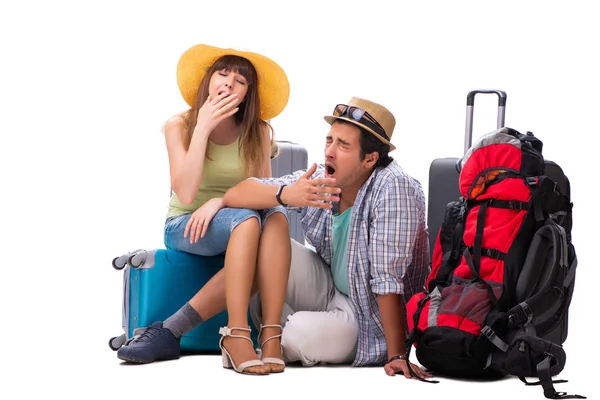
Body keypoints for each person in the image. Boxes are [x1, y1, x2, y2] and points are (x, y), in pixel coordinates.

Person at [223, 97, 432, 379]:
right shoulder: (324, 179)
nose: (329, 152)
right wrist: (286, 194)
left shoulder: (394, 187)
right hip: (332, 286)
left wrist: (396, 355)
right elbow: (237, 194)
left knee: (298, 334)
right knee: (264, 234)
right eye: (329, 140)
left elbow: (387, 282)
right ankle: (248, 334)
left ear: (370, 158)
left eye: (343, 145)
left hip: (370, 319)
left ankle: (278, 331)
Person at [117, 44, 292, 375]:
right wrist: (203, 128)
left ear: (248, 94)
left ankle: (270, 336)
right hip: (186, 225)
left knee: (276, 219)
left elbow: (263, 196)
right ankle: (236, 334)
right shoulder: (179, 125)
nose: (227, 83)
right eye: (221, 74)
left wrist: (221, 201)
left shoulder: (259, 131)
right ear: (208, 81)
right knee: (248, 221)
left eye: (240, 81)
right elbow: (184, 190)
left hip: (241, 221)